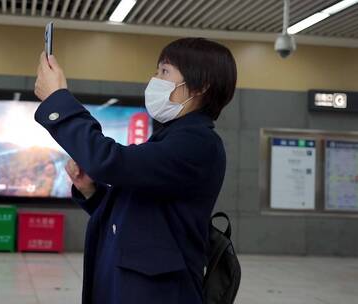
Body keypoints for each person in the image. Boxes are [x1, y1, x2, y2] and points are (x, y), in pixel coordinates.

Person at [34, 38, 237, 304]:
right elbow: (140, 213)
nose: (155, 79)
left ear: (201, 85)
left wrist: (57, 101)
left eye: (165, 71)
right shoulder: (172, 137)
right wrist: (91, 191)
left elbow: (109, 161)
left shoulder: (198, 143)